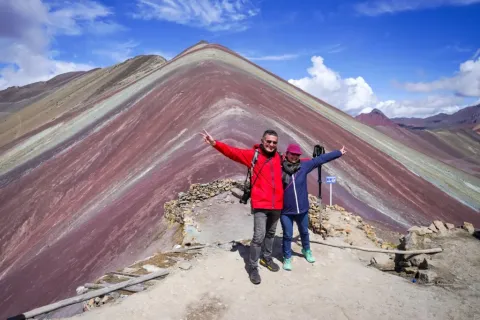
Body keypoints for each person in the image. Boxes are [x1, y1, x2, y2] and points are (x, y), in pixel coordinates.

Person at [200, 128, 284, 284]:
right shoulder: (254, 155)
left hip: (277, 204)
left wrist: (326, 157)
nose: (271, 145)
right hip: (261, 204)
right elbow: (232, 152)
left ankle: (266, 258)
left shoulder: (279, 157)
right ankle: (253, 267)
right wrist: (214, 143)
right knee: (259, 236)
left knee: (271, 234)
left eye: (274, 142)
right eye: (269, 141)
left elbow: (297, 163)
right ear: (262, 140)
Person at [280, 143, 346, 271]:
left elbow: (319, 160)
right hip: (286, 211)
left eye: (297, 155)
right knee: (287, 235)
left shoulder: (303, 166)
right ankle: (287, 257)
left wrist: (338, 153)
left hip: (302, 210)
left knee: (304, 232)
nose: (294, 156)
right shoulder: (279, 168)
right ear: (286, 154)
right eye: (292, 154)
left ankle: (306, 250)